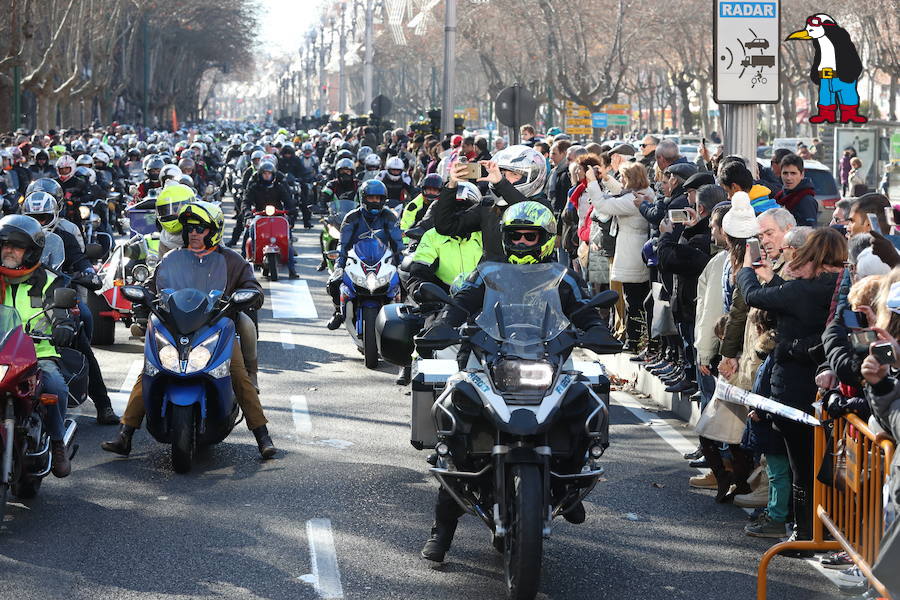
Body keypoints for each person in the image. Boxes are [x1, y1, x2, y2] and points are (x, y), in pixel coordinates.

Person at [416, 200, 618, 564]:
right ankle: (441, 533)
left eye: (531, 236)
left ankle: (570, 481)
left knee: (582, 401)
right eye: (516, 236)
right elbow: (459, 305)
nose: (523, 242)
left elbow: (585, 310)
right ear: (506, 239)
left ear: (544, 239)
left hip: (546, 362)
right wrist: (443, 325)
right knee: (454, 432)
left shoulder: (563, 276)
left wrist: (597, 330)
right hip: (489, 361)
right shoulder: (487, 273)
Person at [101, 201, 276, 459]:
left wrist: (248, 295)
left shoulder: (232, 260)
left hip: (216, 326)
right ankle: (125, 434)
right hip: (176, 326)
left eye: (200, 229)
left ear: (213, 231)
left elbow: (253, 288)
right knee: (150, 371)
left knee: (238, 374)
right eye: (190, 229)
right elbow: (152, 285)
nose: (193, 233)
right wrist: (144, 296)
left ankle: (263, 436)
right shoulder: (172, 258)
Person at [738, 227, 847, 550]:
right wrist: (772, 279)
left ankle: (804, 532)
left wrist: (747, 268)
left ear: (812, 254)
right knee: (824, 465)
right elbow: (786, 297)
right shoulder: (841, 288)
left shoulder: (804, 290)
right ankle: (824, 531)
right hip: (828, 388)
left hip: (793, 390)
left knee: (802, 468)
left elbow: (753, 297)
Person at [0, 215, 77, 477]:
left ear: (31, 252)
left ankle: (57, 443)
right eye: (5, 245)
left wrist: (63, 326)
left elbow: (60, 311)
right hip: (1, 356)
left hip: (38, 355)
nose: (9, 251)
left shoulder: (47, 281)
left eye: (17, 247)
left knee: (54, 385)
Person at [432, 145, 547, 262]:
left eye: (513, 174)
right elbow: (445, 226)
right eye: (502, 173)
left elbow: (528, 213)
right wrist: (451, 186)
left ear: (532, 177)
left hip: (533, 275)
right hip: (494, 276)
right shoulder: (488, 205)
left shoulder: (542, 206)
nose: (504, 178)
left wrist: (501, 183)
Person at [586, 161, 651, 352]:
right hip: (634, 249)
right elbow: (621, 192)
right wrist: (606, 179)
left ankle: (633, 341)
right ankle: (634, 339)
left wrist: (592, 183)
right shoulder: (644, 193)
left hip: (631, 252)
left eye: (623, 177)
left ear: (631, 179)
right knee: (634, 297)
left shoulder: (633, 200)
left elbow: (604, 204)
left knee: (633, 299)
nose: (621, 181)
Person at [326, 180, 404, 330]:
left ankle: (402, 311)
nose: (375, 201)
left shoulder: (390, 217)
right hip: (356, 261)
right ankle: (338, 311)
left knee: (404, 280)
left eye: (379, 198)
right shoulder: (351, 217)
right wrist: (338, 266)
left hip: (383, 261)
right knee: (333, 283)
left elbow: (397, 243)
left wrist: (402, 264)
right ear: (363, 198)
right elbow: (343, 244)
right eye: (371, 198)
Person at [243, 161, 299, 279]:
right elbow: (246, 201)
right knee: (249, 230)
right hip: (260, 215)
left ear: (273, 175)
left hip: (278, 215)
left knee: (287, 235)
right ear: (260, 175)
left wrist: (292, 210)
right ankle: (249, 257)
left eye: (269, 173)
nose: (267, 176)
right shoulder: (254, 187)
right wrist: (247, 212)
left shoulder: (279, 187)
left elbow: (288, 201)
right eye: (265, 173)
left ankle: (292, 268)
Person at [773, 153, 817, 227]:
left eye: (793, 173)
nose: (788, 178)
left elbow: (809, 230)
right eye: (785, 173)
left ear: (802, 175)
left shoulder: (806, 200)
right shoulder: (779, 197)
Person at [399, 173, 441, 243]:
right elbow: (405, 226)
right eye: (429, 189)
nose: (431, 192)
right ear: (423, 189)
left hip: (440, 239)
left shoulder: (444, 203)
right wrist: (406, 244)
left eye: (434, 190)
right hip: (417, 240)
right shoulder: (413, 205)